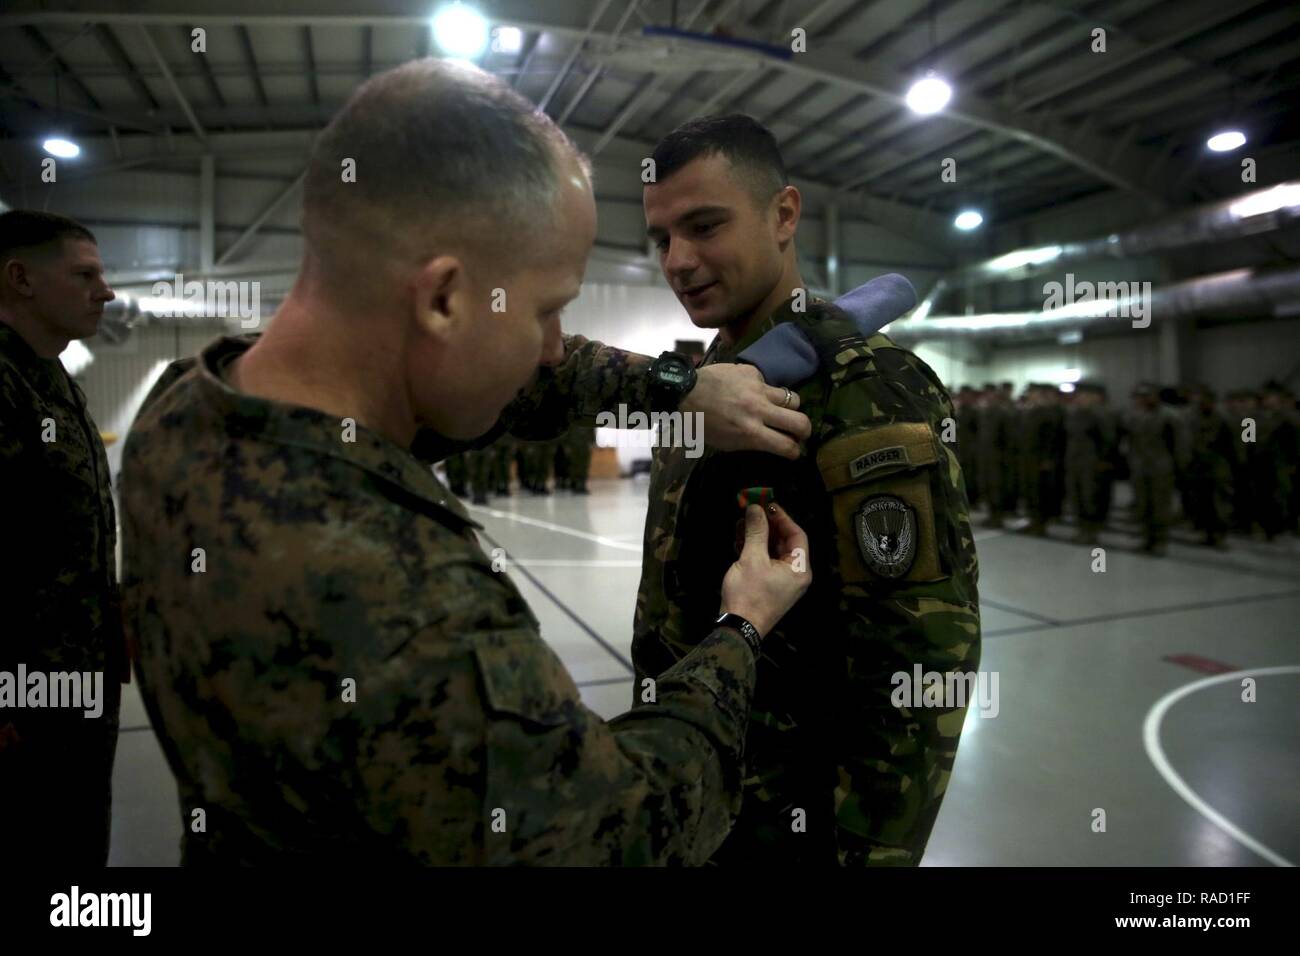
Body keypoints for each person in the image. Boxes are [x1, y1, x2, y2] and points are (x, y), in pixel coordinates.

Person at [120, 60, 814, 865]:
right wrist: (741, 628)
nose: (554, 347)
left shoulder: (184, 410)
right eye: (546, 310)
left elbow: (516, 389)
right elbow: (615, 834)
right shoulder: (411, 607)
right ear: (446, 299)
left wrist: (673, 387)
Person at [634, 115, 981, 866]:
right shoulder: (708, 386)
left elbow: (922, 659)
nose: (679, 261)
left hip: (787, 820)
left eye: (703, 226)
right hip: (695, 793)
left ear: (783, 214)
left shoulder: (867, 386)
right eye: (662, 238)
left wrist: (870, 855)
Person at [0, 209, 126, 866]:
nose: (104, 291)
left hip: (77, 682)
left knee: (74, 850)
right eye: (84, 275)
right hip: (23, 696)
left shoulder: (52, 380)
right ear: (19, 278)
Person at [1063, 382, 1117, 545]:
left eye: (1084, 395)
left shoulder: (1102, 415)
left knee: (1090, 497)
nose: (1080, 398)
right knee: (1076, 495)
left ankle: (1091, 530)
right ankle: (1081, 528)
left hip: (1091, 463)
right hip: (1074, 462)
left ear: (1095, 397)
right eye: (1078, 395)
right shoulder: (1074, 414)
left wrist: (1104, 460)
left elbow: (1109, 440)